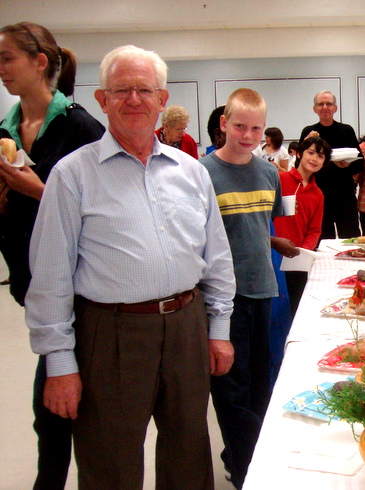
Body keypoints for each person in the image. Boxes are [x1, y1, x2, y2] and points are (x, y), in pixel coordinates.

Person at [24, 44, 236, 489]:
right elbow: (50, 277)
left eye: (144, 89)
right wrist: (59, 363)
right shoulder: (72, 175)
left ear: (162, 98)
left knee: (188, 454)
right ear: (102, 100)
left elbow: (216, 258)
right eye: (121, 90)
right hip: (110, 333)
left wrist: (219, 330)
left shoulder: (192, 172)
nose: (134, 99)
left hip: (187, 326)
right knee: (110, 462)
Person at [0, 21, 104, 489]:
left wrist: (37, 189)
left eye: (8, 58)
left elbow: (105, 212)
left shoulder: (80, 127)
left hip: (82, 292)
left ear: (40, 62)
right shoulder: (5, 130)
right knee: (53, 409)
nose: (1, 69)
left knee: (68, 410)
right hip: (34, 286)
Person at [199, 88, 300, 488]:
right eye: (240, 126)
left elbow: (256, 226)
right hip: (224, 299)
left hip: (264, 291)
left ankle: (246, 457)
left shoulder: (268, 173)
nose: (247, 135)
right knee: (231, 389)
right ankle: (246, 473)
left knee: (260, 385)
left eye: (256, 129)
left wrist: (275, 243)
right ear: (224, 124)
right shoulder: (202, 173)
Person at [274, 136, 330, 317]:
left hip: (296, 259)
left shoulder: (318, 194)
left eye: (320, 156)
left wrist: (302, 252)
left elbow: (315, 230)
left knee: (295, 307)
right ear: (299, 154)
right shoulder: (279, 179)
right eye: (310, 153)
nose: (314, 159)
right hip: (273, 255)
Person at [299, 90, 363, 239]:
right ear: (315, 109)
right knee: (321, 239)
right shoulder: (309, 132)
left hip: (344, 195)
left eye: (329, 104)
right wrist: (306, 144)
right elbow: (299, 164)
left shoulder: (346, 130)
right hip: (318, 195)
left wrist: (347, 166)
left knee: (351, 238)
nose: (325, 107)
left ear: (335, 108)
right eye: (320, 104)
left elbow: (360, 163)